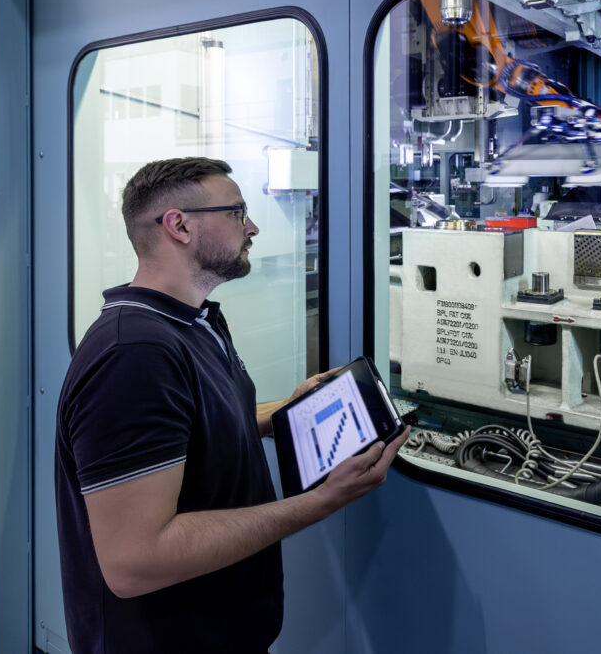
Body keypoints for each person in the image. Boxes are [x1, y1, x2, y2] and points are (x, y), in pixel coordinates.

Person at [54, 157, 408, 653]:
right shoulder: (133, 354)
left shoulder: (192, 323)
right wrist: (320, 501)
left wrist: (283, 412)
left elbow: (188, 428)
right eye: (238, 213)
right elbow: (135, 561)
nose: (253, 227)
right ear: (179, 226)